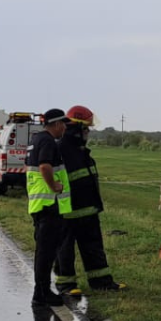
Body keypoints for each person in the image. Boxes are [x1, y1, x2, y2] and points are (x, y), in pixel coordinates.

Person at [54, 105, 126, 294]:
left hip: (88, 209)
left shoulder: (81, 151)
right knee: (65, 249)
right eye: (86, 128)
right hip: (67, 211)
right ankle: (66, 284)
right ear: (76, 128)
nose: (88, 132)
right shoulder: (61, 150)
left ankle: (101, 282)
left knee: (93, 247)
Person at [26, 109, 71, 306]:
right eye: (64, 124)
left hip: (40, 205)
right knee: (46, 253)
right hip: (48, 205)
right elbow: (45, 166)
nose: (65, 128)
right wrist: (54, 186)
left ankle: (42, 291)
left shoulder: (36, 139)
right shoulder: (47, 141)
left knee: (43, 251)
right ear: (56, 124)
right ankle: (42, 293)